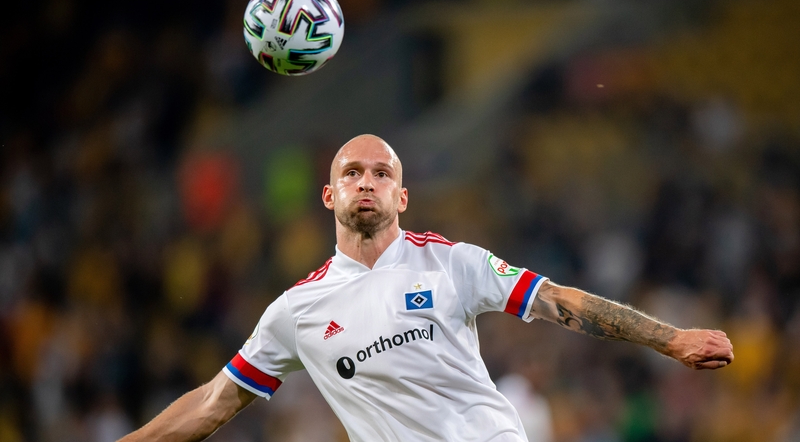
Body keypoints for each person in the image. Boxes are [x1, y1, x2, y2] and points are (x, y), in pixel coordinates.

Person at [119, 134, 734, 442]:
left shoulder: (452, 264)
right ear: (329, 195)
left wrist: (671, 338)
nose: (367, 182)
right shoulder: (295, 312)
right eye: (352, 173)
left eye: (381, 173)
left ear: (401, 196)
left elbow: (559, 302)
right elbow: (212, 402)